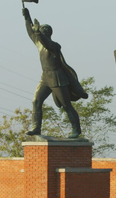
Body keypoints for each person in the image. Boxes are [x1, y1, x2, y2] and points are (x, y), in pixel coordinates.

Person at [22, 8, 88, 138]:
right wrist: (27, 17)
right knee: (36, 101)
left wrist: (38, 34)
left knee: (66, 105)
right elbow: (31, 33)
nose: (40, 31)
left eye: (43, 30)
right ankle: (36, 127)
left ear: (47, 33)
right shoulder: (39, 44)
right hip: (45, 77)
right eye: (41, 30)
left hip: (57, 77)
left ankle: (76, 129)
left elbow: (46, 43)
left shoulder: (54, 46)